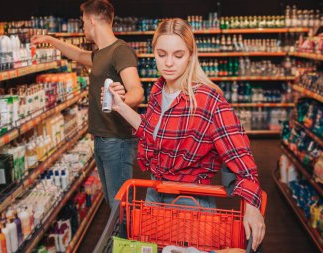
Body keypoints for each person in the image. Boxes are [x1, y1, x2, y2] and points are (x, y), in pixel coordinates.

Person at [103, 18, 265, 252]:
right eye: (161, 54)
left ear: (191, 55)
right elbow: (152, 134)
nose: (168, 63)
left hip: (191, 202)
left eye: (178, 55)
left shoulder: (209, 101)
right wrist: (119, 106)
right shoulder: (159, 91)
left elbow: (241, 159)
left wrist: (252, 204)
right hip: (154, 195)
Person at [31, 0, 144, 207]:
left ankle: (125, 239)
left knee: (121, 205)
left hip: (116, 140)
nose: (83, 27)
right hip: (103, 139)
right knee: (114, 203)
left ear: (92, 20)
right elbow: (77, 54)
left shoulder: (120, 50)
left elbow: (137, 92)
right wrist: (51, 40)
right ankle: (119, 238)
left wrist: (122, 100)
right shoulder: (101, 54)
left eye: (83, 22)